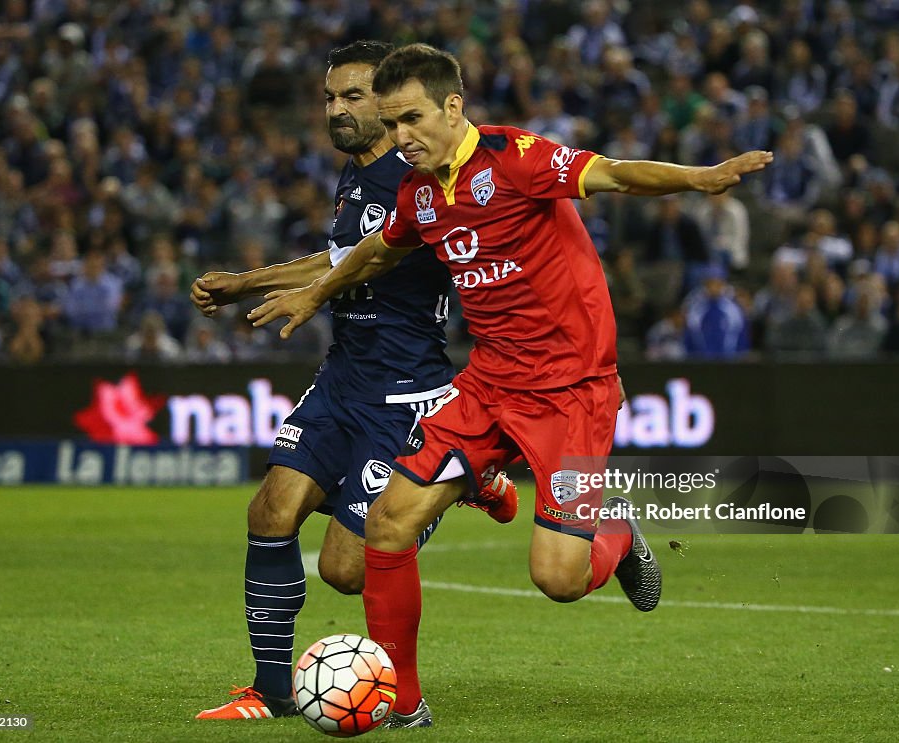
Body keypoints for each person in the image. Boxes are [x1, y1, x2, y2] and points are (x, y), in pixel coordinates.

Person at [247, 43, 772, 728]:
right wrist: (316, 292)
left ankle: (614, 528)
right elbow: (380, 249)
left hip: (572, 392)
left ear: (453, 106)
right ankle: (404, 704)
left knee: (558, 578)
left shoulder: (516, 158)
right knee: (388, 522)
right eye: (392, 123)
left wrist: (699, 178)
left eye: (410, 120)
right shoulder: (421, 193)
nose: (400, 137)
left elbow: (613, 173)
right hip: (489, 382)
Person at [190, 41, 517, 722]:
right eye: (330, 98)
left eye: (354, 97)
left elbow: (361, 263)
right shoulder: (355, 171)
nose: (337, 110)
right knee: (270, 510)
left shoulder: (418, 176)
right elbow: (339, 252)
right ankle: (271, 689)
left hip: (404, 394)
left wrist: (255, 282)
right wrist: (247, 284)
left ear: (391, 101)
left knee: (346, 568)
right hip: (343, 378)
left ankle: (461, 479)